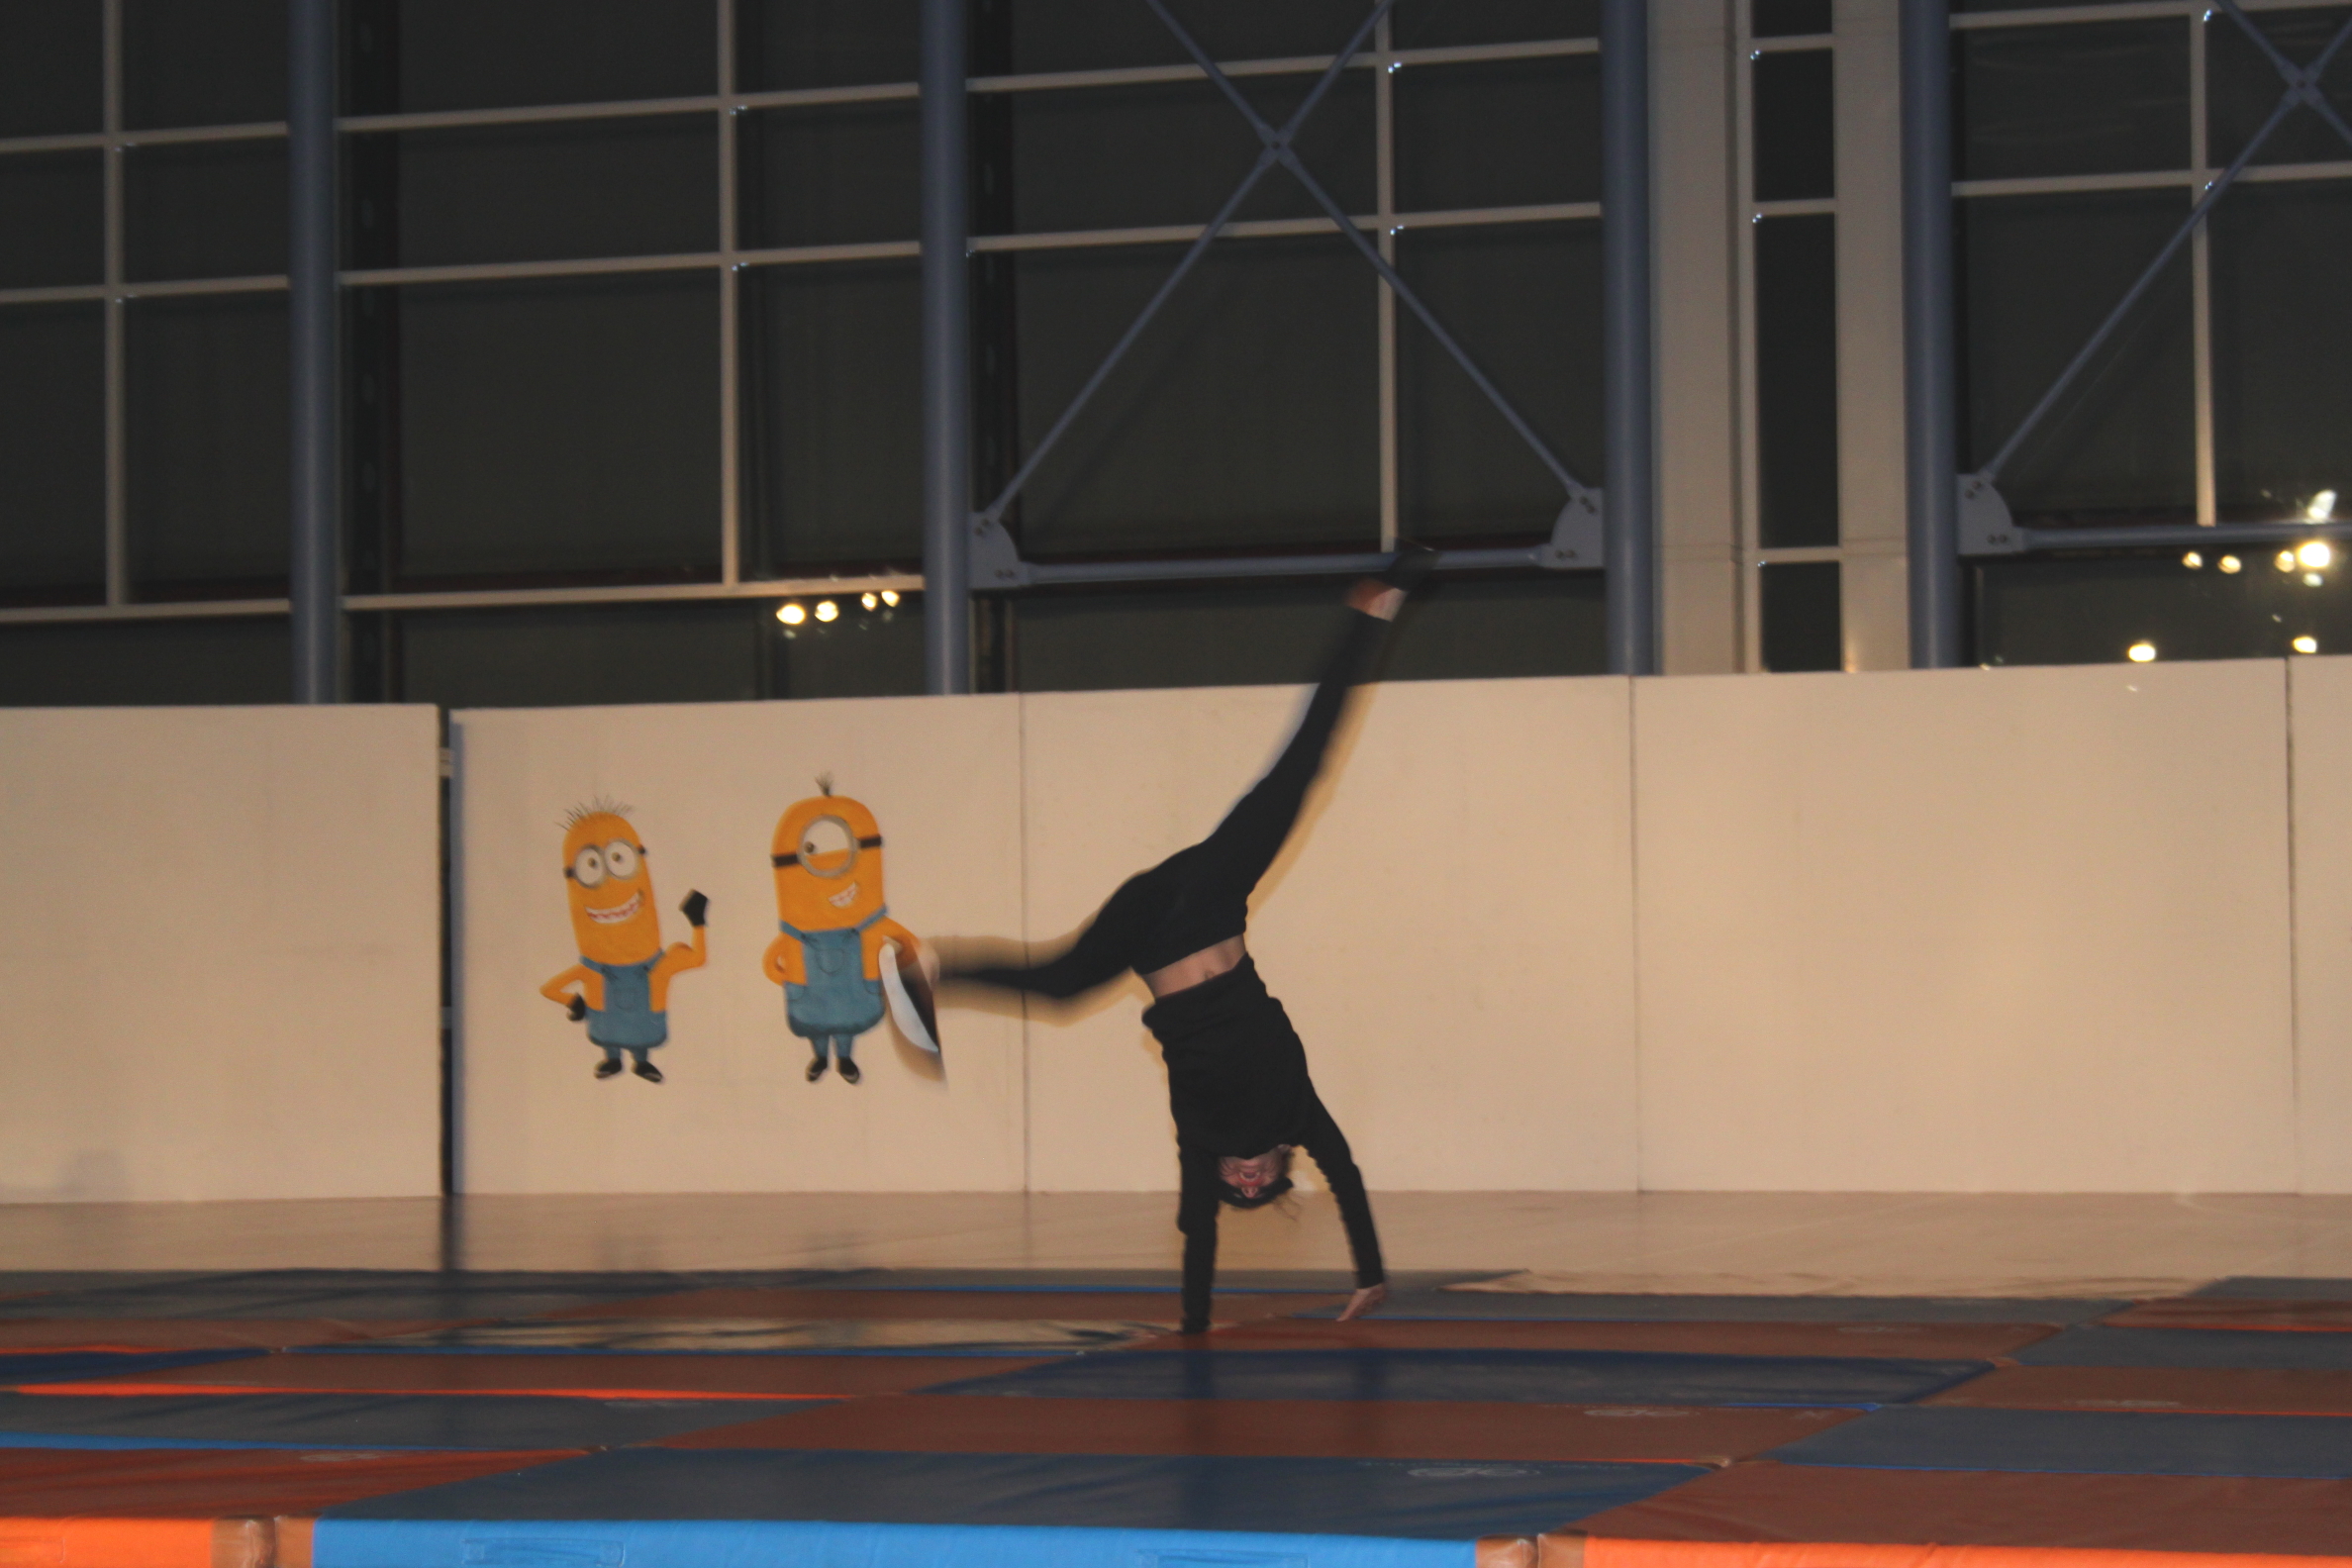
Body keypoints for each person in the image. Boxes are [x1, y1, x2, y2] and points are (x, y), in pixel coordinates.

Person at [948, 549, 1435, 1334]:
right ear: (1280, 1166)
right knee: (1303, 766)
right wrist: (1371, 1276)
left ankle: (934, 968)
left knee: (1062, 986)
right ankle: (1373, 607)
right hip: (1210, 900)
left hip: (1147, 929)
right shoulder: (1297, 1114)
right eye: (1258, 1184)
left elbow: (1196, 1231)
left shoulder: (1201, 1139)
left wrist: (1195, 1324)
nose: (1244, 1180)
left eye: (1235, 1187)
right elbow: (1345, 1175)